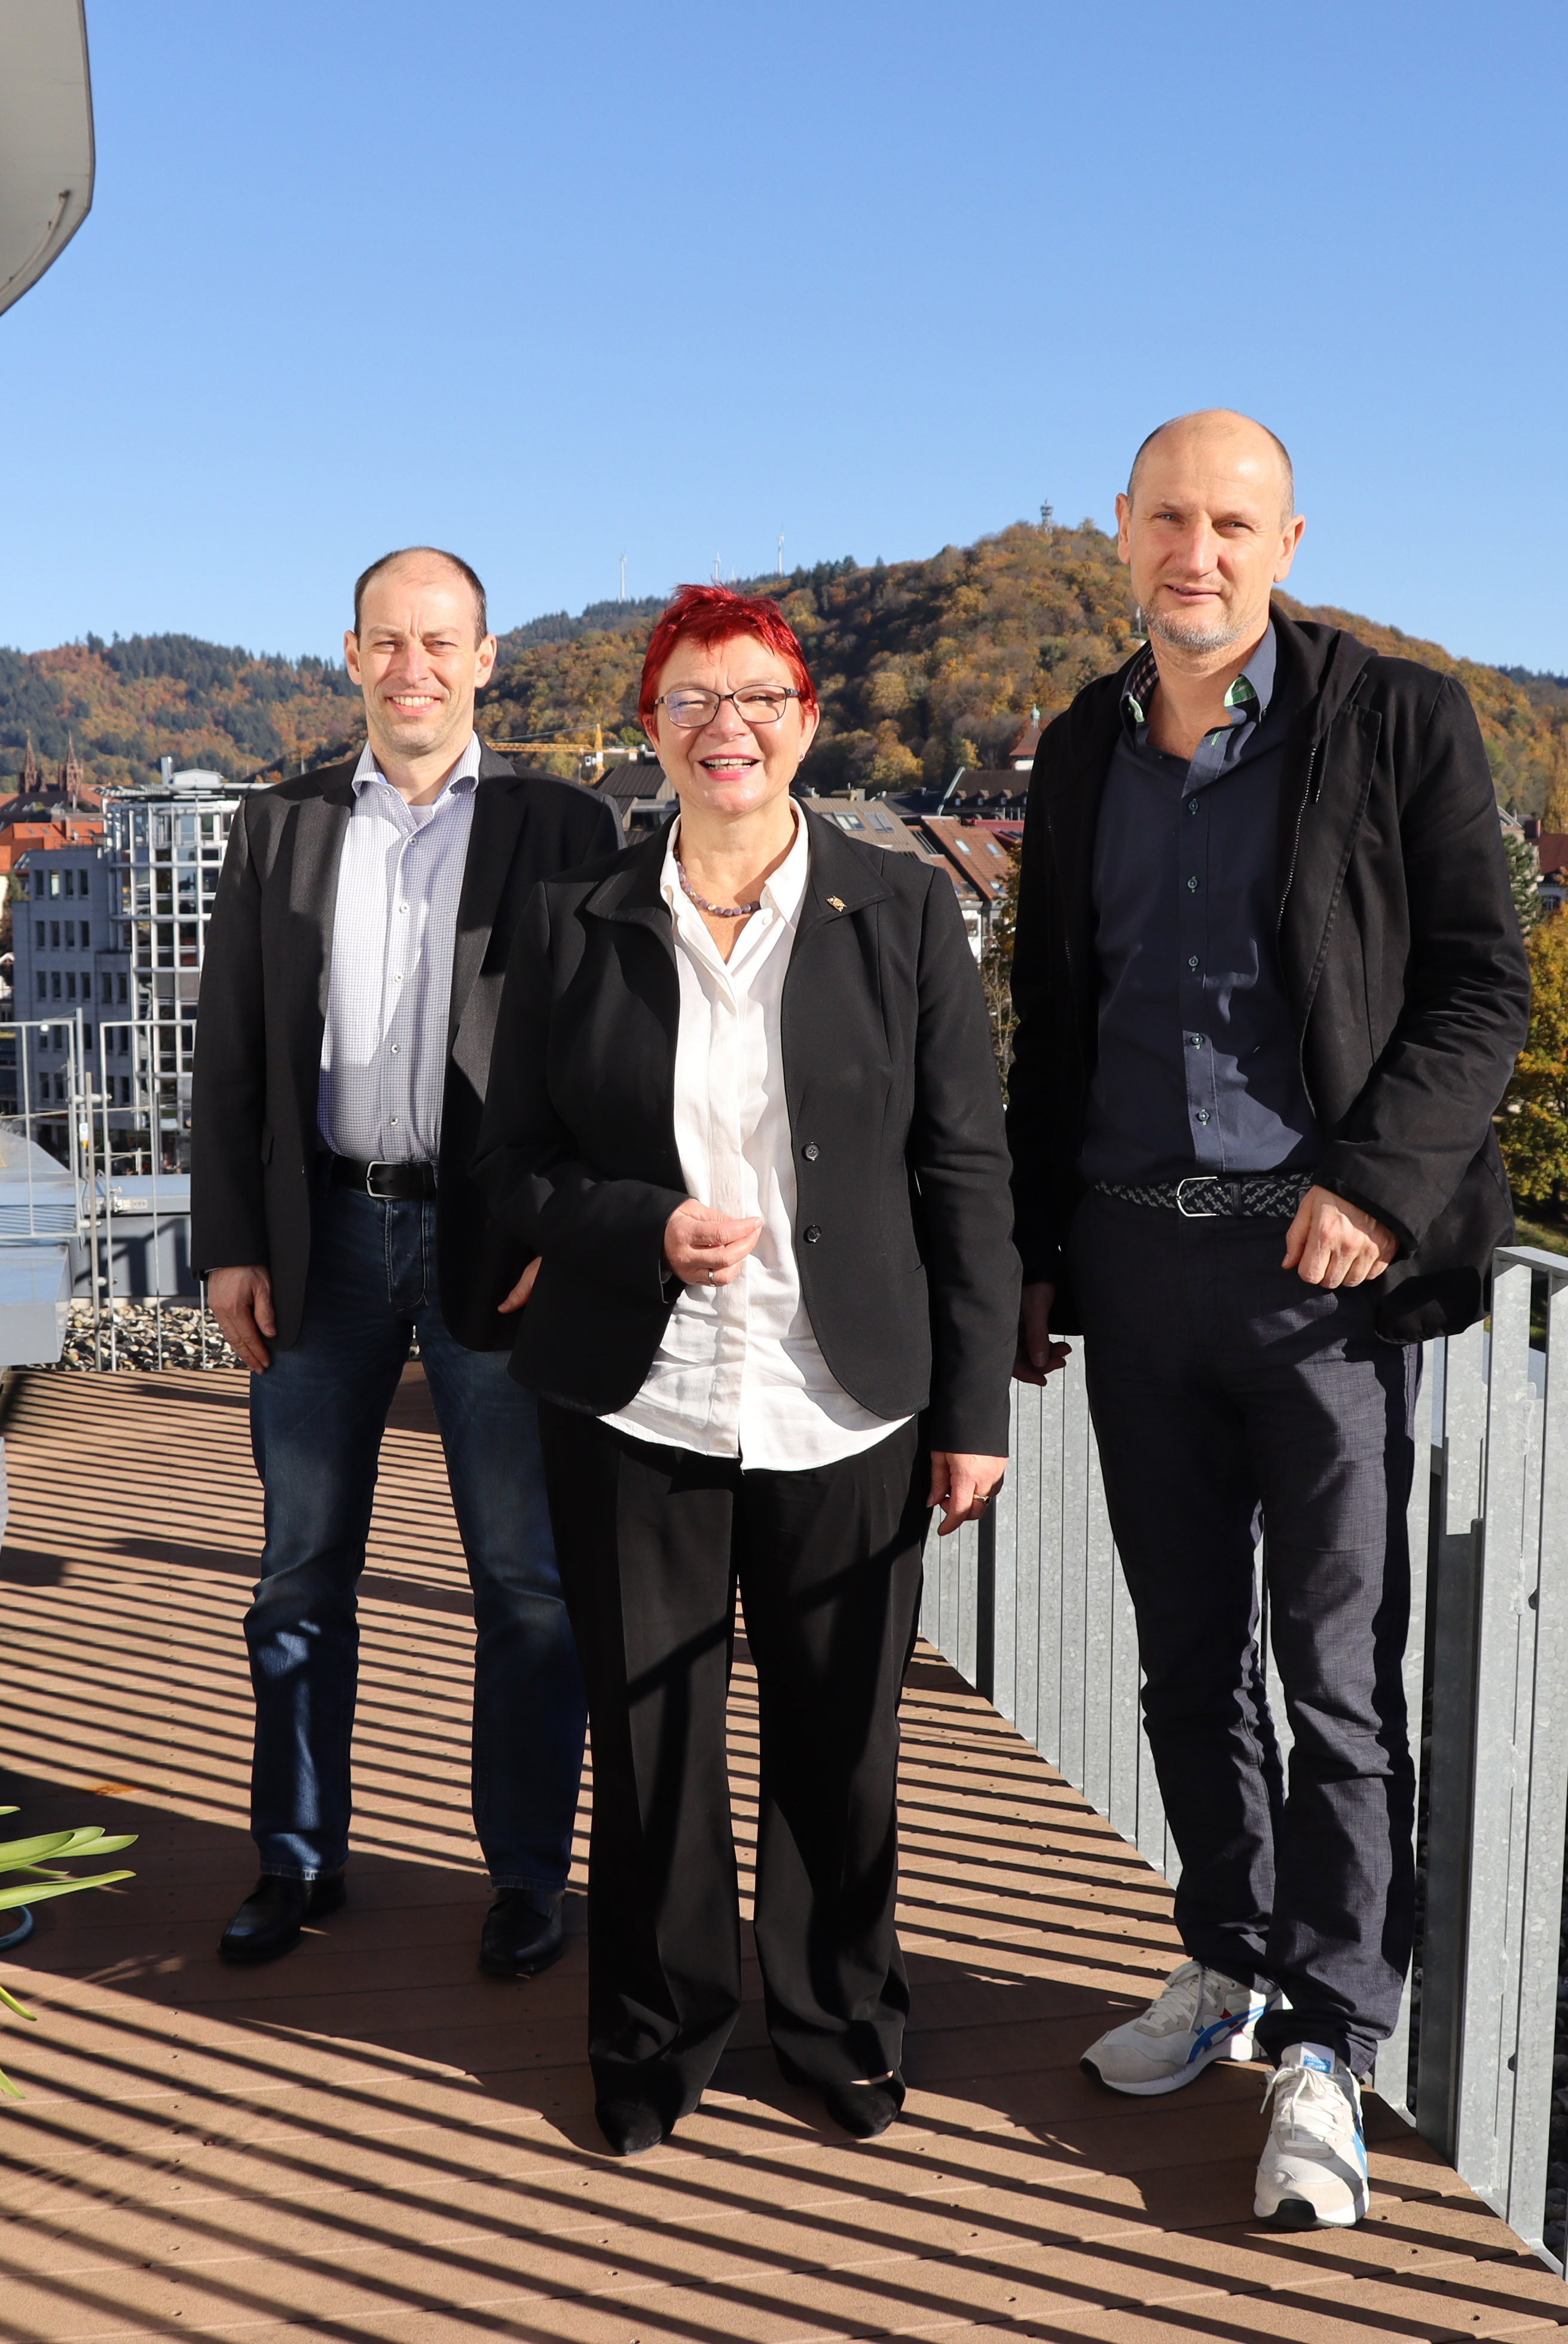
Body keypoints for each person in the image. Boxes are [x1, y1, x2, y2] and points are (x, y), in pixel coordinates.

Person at [1005, 414, 1529, 2229]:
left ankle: (1331, 2042)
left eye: (1233, 522)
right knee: (1180, 1659)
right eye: (1168, 518)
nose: (1196, 552)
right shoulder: (1081, 746)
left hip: (1326, 1281)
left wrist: (1375, 1185)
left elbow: (1480, 988)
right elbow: (1052, 1017)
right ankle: (1225, 1959)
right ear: (1122, 534)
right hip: (1137, 1262)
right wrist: (1032, 1255)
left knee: (1336, 1676)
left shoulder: (1397, 724)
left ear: (1288, 539)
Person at [479, 585, 1016, 2157]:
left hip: (844, 1394)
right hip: (638, 1391)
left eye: (760, 696)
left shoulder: (904, 910)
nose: (730, 726)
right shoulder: (573, 920)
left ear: (807, 721)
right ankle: (656, 2040)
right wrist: (643, 1226)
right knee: (652, 1746)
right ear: (650, 726)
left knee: (841, 1740)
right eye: (694, 698)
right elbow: (507, 1174)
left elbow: (965, 1170)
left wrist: (973, 1409)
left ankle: (839, 2025)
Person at [191, 546, 622, 1977]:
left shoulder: (569, 825)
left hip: (500, 1245)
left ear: (488, 657)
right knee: (300, 1567)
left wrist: (574, 1239)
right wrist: (232, 1246)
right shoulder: (281, 826)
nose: (414, 664)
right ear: (353, 654)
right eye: (389, 640)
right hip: (327, 1235)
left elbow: (618, 1064)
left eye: (442, 640)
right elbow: (234, 1059)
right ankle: (297, 1858)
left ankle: (524, 1874)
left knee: (525, 1575)